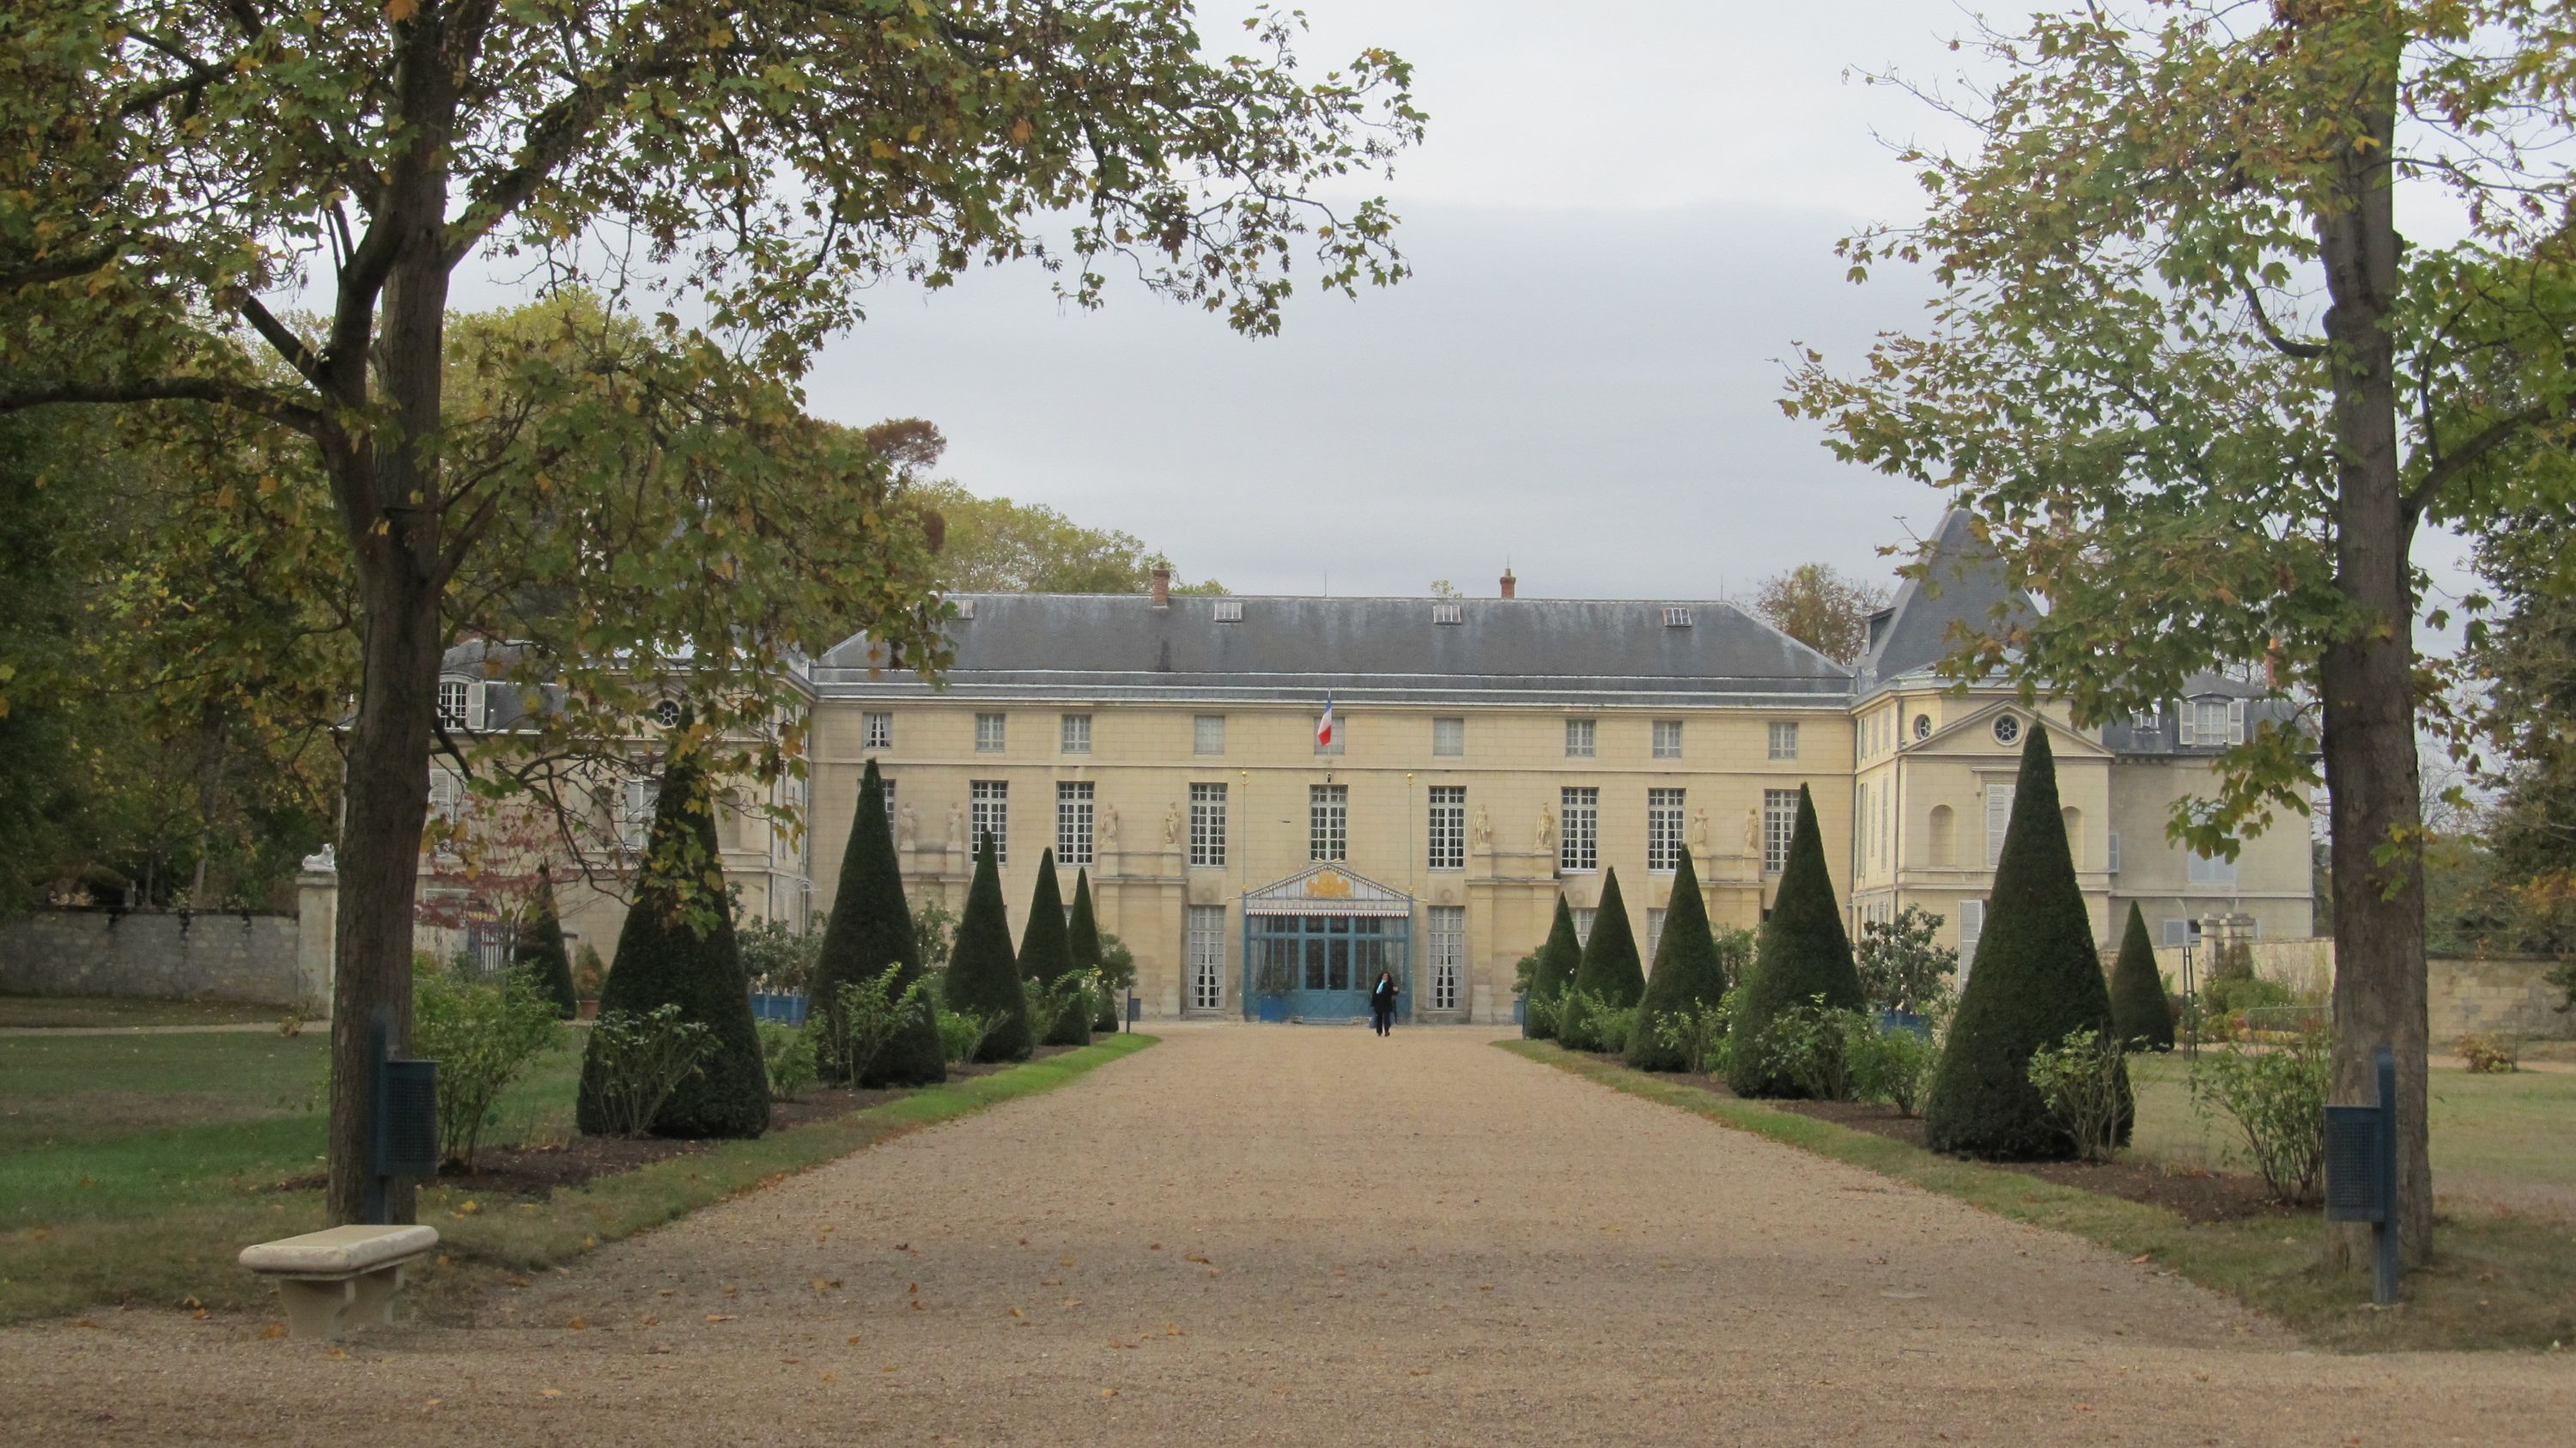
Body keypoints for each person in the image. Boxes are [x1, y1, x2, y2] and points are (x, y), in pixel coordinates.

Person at [1369, 969, 1399, 1037]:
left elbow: (1393, 992)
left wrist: (1396, 991)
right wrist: (1373, 1003)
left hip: (1387, 1003)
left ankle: (1386, 1031)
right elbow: (1375, 993)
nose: (1385, 977)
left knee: (1386, 1018)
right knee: (1379, 1018)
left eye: (1387, 976)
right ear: (1382, 977)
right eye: (1384, 976)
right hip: (1379, 1003)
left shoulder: (1390, 984)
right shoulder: (1378, 983)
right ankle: (1379, 1031)